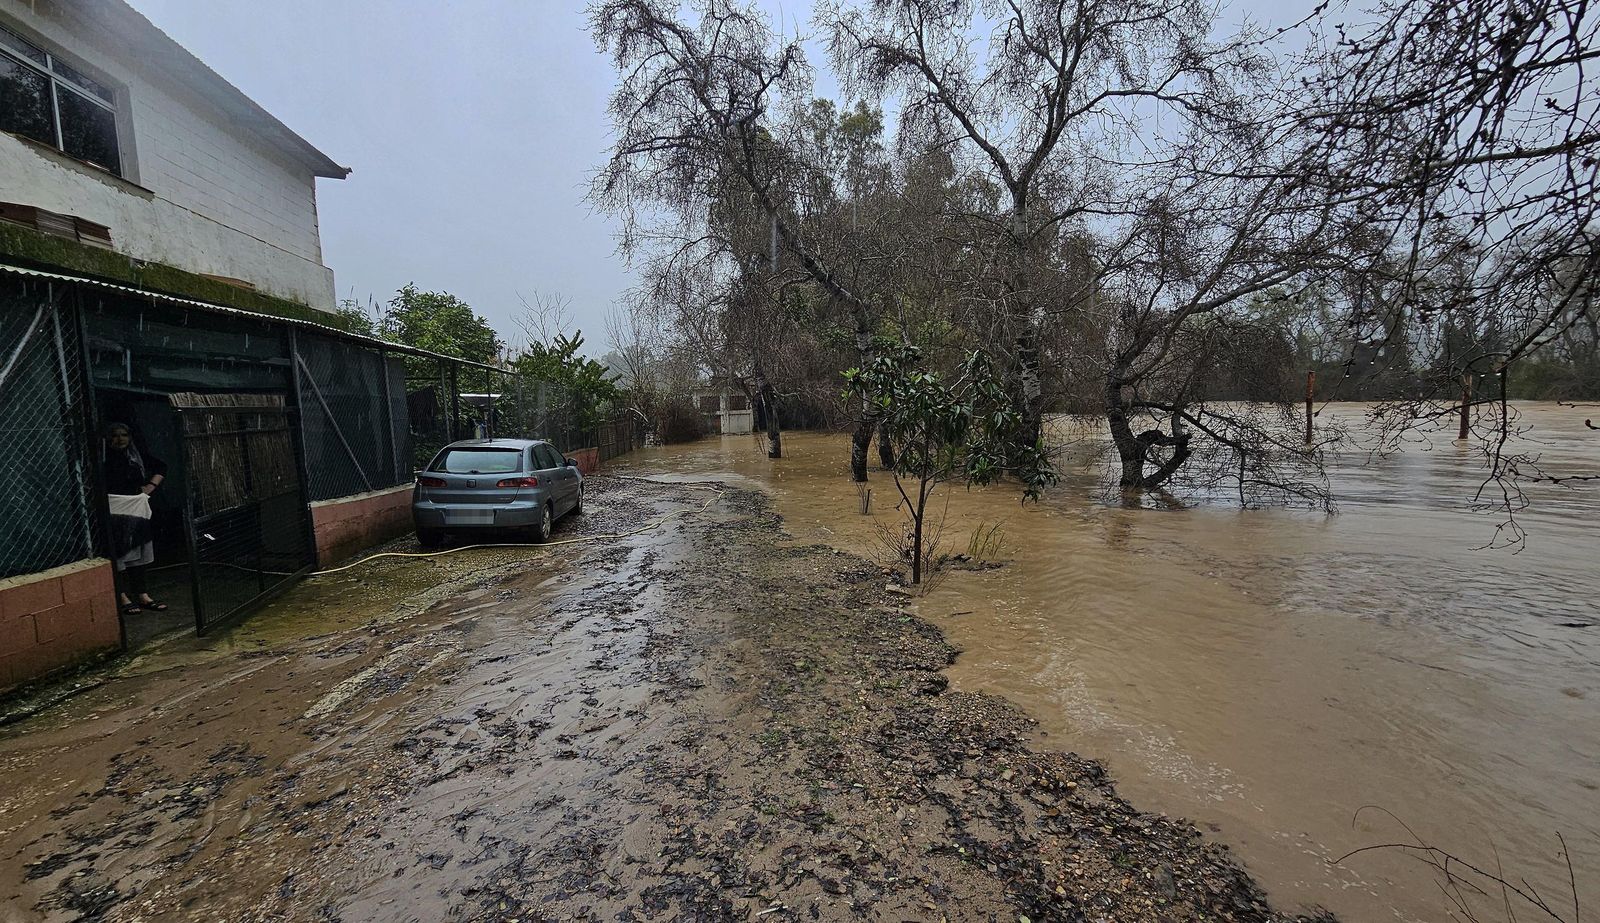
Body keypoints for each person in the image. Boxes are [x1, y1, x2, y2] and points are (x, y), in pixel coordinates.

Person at [103, 422, 168, 614]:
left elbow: (161, 467)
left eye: (124, 435)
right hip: (113, 508)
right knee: (119, 553)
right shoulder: (104, 458)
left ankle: (142, 594)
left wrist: (150, 487)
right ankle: (122, 596)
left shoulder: (135, 457)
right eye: (115, 435)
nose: (120, 439)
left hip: (135, 508)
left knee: (138, 552)